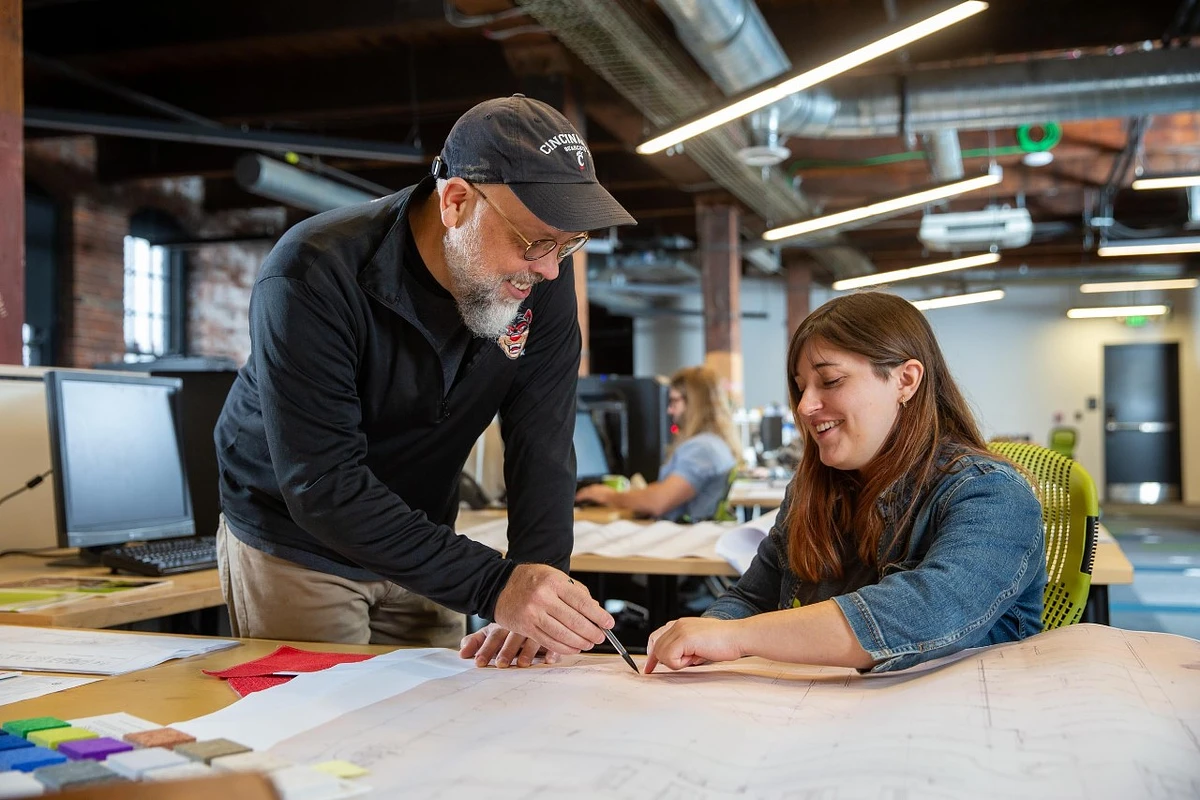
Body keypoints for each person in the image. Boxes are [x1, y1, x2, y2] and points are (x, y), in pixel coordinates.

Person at [214, 95, 637, 668]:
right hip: (299, 540)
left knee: (434, 723)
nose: (549, 269)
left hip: (422, 533)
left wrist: (541, 587)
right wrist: (494, 587)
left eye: (568, 245)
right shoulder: (312, 274)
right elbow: (323, 485)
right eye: (535, 242)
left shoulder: (541, 279)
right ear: (457, 201)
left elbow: (543, 441)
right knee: (322, 733)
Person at [644, 291, 1046, 674]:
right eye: (801, 388)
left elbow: (926, 610)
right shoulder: (813, 490)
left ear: (905, 380)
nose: (804, 407)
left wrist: (734, 638)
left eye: (830, 381)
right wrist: (700, 641)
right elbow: (751, 598)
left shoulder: (993, 494)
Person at [574, 366, 739, 521]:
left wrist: (608, 496)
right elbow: (667, 491)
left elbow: (660, 502)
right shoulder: (715, 444)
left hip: (681, 536)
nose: (669, 410)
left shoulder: (702, 448)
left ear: (695, 403)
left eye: (674, 402)